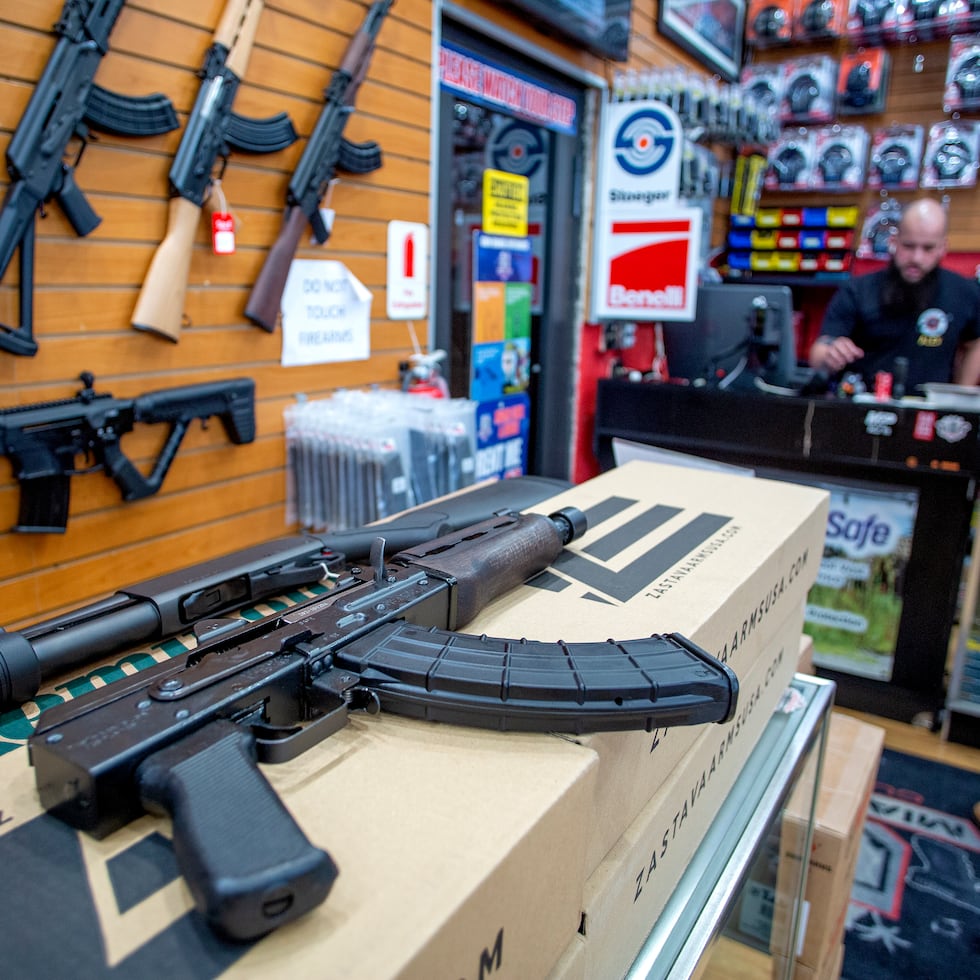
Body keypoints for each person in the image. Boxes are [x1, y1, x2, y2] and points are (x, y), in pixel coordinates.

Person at [808, 197, 980, 392]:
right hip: (863, 405)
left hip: (929, 412)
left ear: (943, 247)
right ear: (894, 242)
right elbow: (819, 351)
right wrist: (831, 353)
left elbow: (976, 342)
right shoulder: (858, 289)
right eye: (909, 246)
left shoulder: (965, 292)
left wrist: (960, 392)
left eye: (928, 248)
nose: (916, 258)